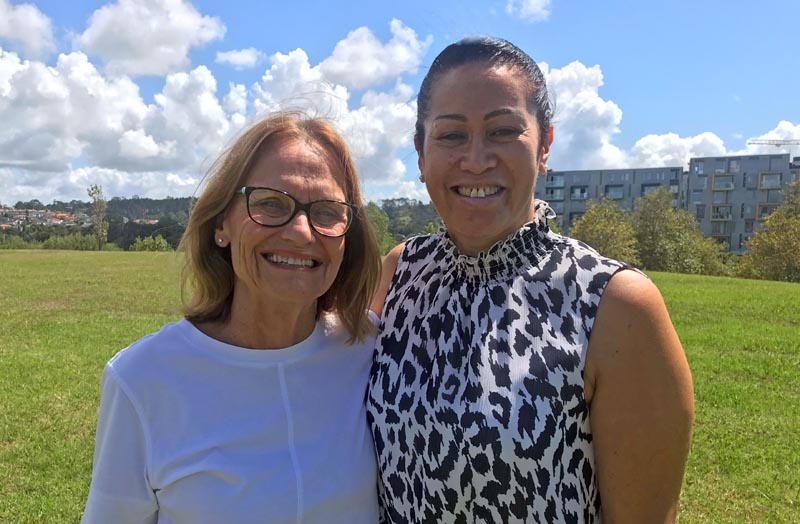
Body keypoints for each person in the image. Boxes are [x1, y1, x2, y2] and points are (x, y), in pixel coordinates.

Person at [367, 37, 694, 523]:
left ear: (544, 147)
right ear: (420, 154)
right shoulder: (401, 271)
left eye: (502, 131)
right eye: (452, 135)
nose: (476, 159)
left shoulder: (614, 305)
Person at [82, 112, 382, 524]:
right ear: (221, 223)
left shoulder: (371, 351)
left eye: (328, 211)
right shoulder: (142, 380)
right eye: (270, 203)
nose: (301, 232)